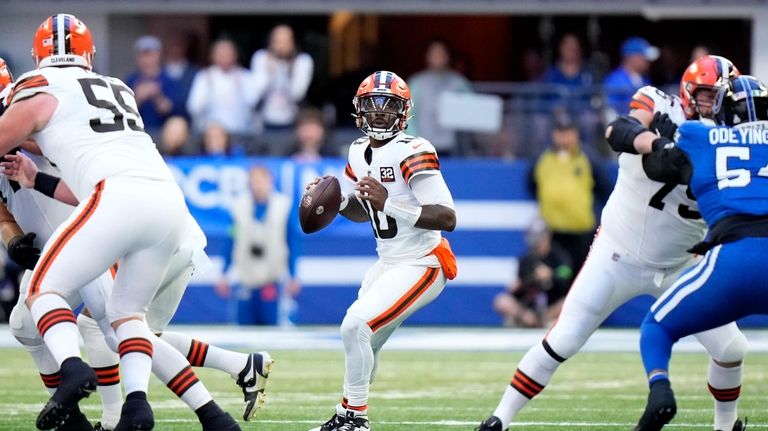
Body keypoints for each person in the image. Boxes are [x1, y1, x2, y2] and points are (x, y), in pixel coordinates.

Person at [476, 55, 747, 431]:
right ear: (686, 91)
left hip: (681, 265)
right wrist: (657, 143)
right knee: (564, 339)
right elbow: (617, 130)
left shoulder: (734, 141)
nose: (713, 105)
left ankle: (726, 426)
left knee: (731, 348)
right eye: (705, 95)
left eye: (722, 97)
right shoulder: (658, 102)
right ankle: (498, 419)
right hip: (617, 253)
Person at [0, 14, 242, 430]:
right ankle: (163, 411)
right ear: (89, 55)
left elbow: (25, 129)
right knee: (125, 318)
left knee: (45, 292)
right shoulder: (117, 87)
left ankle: (76, 375)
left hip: (109, 207)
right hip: (164, 198)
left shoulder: (36, 91)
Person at [4, 148, 275, 425]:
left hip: (144, 230)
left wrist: (36, 177)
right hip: (145, 225)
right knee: (129, 333)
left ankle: (122, 418)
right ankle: (237, 371)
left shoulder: (49, 128)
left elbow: (51, 146)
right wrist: (13, 239)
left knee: (113, 327)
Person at [606, 75, 767, 431]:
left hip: (734, 258)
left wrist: (663, 140)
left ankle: (661, 389)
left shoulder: (700, 136)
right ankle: (726, 425)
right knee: (728, 348)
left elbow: (653, 163)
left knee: (657, 327)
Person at [307, 70, 457, 431]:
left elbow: (447, 217)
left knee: (355, 326)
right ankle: (347, 415)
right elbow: (367, 211)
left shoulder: (414, 150)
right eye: (371, 106)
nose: (378, 114)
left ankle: (355, 419)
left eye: (386, 106)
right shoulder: (357, 151)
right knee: (365, 342)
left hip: (422, 262)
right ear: (359, 111)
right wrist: (339, 202)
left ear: (403, 112)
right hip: (387, 262)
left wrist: (389, 202)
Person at [530, 110, 609, 270]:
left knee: (580, 275)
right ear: (553, 134)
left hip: (582, 232)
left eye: (568, 132)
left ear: (576, 134)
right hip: (552, 233)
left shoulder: (588, 157)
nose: (564, 137)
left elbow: (604, 188)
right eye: (560, 132)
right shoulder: (543, 158)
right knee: (555, 276)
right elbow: (531, 185)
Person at [218, 166, 292, 325]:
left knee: (272, 326)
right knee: (243, 327)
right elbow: (231, 239)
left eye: (261, 181)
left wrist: (293, 274)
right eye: (254, 181)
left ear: (270, 181)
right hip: (246, 276)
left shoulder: (283, 206)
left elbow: (292, 241)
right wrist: (224, 272)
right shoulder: (238, 207)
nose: (258, 185)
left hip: (272, 276)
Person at [493, 219, 573, 328]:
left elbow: (565, 279)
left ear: (547, 237)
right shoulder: (526, 259)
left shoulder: (561, 258)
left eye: (540, 239)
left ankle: (545, 321)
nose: (537, 244)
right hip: (528, 309)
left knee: (568, 302)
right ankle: (528, 320)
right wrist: (524, 283)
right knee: (502, 301)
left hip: (550, 308)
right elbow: (519, 288)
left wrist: (551, 276)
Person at [408, 39, 472, 156]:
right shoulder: (417, 83)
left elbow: (473, 112)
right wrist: (414, 143)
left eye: (441, 54)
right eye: (434, 54)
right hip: (423, 148)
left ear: (448, 57)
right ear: (427, 57)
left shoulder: (459, 83)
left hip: (453, 148)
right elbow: (408, 116)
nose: (438, 58)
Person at [187, 39, 258, 135]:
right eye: (221, 55)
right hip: (212, 135)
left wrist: (241, 87)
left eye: (228, 54)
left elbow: (254, 103)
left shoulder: (245, 76)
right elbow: (193, 107)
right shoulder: (205, 76)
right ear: (213, 56)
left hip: (240, 133)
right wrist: (208, 89)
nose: (225, 58)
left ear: (235, 56)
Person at [251, 24, 314, 129]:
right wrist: (270, 70)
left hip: (292, 120)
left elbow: (297, 94)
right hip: (264, 121)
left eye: (286, 41)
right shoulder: (261, 57)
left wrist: (290, 69)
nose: (281, 46)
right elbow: (256, 93)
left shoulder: (302, 60)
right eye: (278, 41)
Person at [124, 36, 177, 137]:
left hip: (162, 131)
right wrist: (138, 97)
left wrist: (157, 95)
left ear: (158, 56)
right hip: (136, 132)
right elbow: (123, 113)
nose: (147, 60)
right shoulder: (130, 80)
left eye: (151, 55)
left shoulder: (169, 80)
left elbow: (172, 111)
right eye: (143, 56)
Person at [603, 37, 659, 116]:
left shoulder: (645, 78)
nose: (647, 61)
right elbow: (610, 109)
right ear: (631, 57)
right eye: (643, 56)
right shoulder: (614, 80)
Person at [164, 35, 200, 120]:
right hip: (162, 121)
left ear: (185, 48)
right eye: (173, 46)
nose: (175, 50)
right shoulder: (160, 72)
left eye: (179, 46)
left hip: (187, 121)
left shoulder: (195, 72)